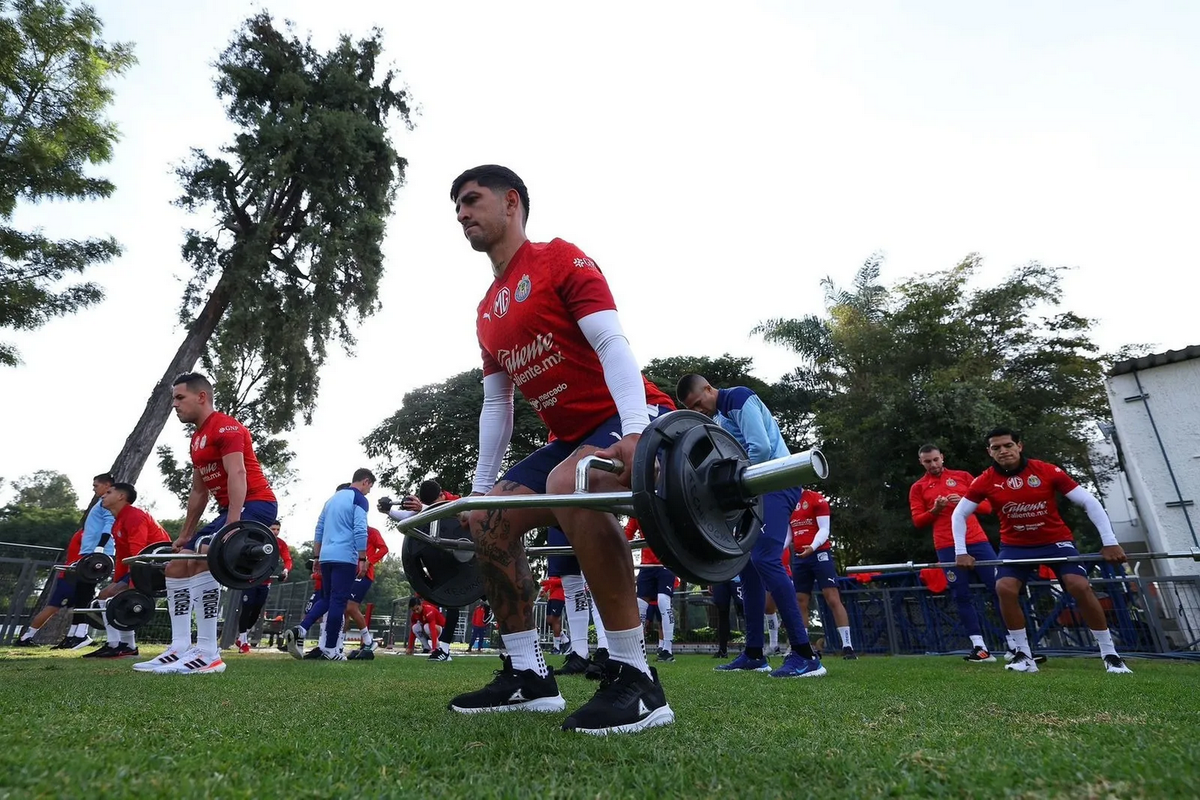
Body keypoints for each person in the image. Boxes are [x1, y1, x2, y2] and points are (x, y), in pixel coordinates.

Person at [446, 164, 674, 734]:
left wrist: (635, 427)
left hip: (634, 416)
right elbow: (497, 406)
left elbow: (610, 341)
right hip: (570, 437)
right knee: (486, 519)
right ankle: (527, 674)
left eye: (472, 201)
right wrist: (477, 490)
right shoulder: (486, 311)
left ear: (512, 203)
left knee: (571, 480)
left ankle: (637, 677)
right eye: (456, 209)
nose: (461, 215)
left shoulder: (559, 259)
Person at [677, 375, 826, 679]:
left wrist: (733, 484)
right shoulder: (718, 416)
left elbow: (759, 448)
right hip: (753, 488)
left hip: (774, 481)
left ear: (708, 389)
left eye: (698, 403)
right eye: (692, 408)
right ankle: (755, 653)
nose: (699, 410)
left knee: (765, 559)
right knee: (746, 564)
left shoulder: (738, 399)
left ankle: (805, 654)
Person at [951, 427, 1133, 674]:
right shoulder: (984, 480)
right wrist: (960, 551)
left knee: (1078, 585)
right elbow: (959, 513)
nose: (1003, 451)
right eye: (996, 448)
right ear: (990, 452)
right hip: (1015, 547)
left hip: (1055, 541)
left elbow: (1089, 502)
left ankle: (1110, 654)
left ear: (1019, 446)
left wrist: (1110, 541)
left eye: (1008, 445)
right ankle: (1024, 655)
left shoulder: (1046, 470)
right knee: (1003, 588)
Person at [135, 372, 279, 675]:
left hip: (257, 503)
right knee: (177, 562)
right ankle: (180, 648)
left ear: (201, 397)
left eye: (179, 398)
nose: (174, 405)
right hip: (229, 509)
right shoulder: (196, 440)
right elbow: (199, 491)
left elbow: (238, 475)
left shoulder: (227, 427)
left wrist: (233, 528)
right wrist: (185, 534)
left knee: (205, 550)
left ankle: (209, 652)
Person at [910, 443, 1013, 663]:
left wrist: (967, 503)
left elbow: (988, 507)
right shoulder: (918, 487)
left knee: (1000, 589)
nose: (933, 464)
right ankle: (979, 647)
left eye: (936, 459)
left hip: (977, 541)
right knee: (960, 594)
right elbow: (918, 521)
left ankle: (1014, 644)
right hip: (947, 546)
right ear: (921, 462)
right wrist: (935, 510)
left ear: (942, 457)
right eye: (928, 461)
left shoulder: (963, 477)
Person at [284, 471, 374, 661]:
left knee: (325, 598)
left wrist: (316, 555)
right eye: (370, 487)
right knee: (338, 601)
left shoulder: (332, 499)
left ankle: (301, 629)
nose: (368, 492)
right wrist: (363, 558)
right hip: (345, 557)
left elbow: (319, 528)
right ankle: (332, 649)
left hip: (326, 556)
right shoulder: (359, 499)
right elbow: (360, 529)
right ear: (366, 481)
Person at [85, 482, 172, 659]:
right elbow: (122, 557)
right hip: (141, 565)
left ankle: (119, 646)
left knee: (110, 596)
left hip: (154, 568)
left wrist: (133, 587)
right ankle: (124, 646)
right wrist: (117, 580)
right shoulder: (118, 522)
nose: (103, 495)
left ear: (120, 497)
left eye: (108, 492)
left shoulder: (134, 516)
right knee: (106, 595)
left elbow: (137, 553)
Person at [788, 489, 857, 660]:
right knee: (800, 601)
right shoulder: (787, 502)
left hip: (820, 553)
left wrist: (812, 546)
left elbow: (824, 529)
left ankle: (847, 646)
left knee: (832, 598)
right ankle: (802, 646)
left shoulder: (816, 499)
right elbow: (788, 534)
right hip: (799, 557)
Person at [60, 473, 118, 650]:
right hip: (89, 552)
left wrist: (101, 547)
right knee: (80, 592)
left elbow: (110, 524)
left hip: (99, 553)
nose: (94, 489)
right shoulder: (100, 503)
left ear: (107, 485)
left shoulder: (106, 502)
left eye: (96, 485)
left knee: (85, 592)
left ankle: (82, 634)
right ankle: (72, 634)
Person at [545, 526, 610, 676]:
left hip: (589, 510)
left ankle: (605, 650)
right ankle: (580, 654)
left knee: (597, 577)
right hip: (557, 513)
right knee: (570, 579)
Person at [235, 520, 293, 654]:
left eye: (278, 529)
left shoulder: (281, 544)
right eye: (273, 529)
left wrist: (285, 571)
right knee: (247, 607)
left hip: (265, 582)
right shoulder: (257, 538)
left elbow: (288, 559)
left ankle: (242, 636)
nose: (276, 532)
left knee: (256, 610)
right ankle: (243, 641)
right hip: (250, 580)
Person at [625, 518, 677, 663]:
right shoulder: (637, 510)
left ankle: (667, 650)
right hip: (646, 566)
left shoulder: (666, 503)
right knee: (640, 605)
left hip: (666, 563)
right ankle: (638, 649)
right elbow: (627, 534)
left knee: (663, 602)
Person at [345, 524, 389, 660]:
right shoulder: (348, 530)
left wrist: (370, 562)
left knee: (350, 607)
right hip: (348, 573)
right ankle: (337, 646)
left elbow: (384, 549)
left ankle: (369, 642)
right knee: (343, 609)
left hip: (364, 575)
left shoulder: (372, 531)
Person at [709, 577, 743, 658]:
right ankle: (722, 650)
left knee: (744, 610)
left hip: (738, 577)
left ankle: (752, 648)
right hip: (719, 578)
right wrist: (710, 580)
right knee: (722, 612)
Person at [537, 575, 568, 654]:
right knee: (549, 620)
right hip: (551, 597)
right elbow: (551, 581)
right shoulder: (553, 571)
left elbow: (561, 581)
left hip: (559, 597)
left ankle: (557, 647)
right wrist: (545, 589)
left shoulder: (561, 570)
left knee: (555, 620)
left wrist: (546, 582)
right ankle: (563, 637)